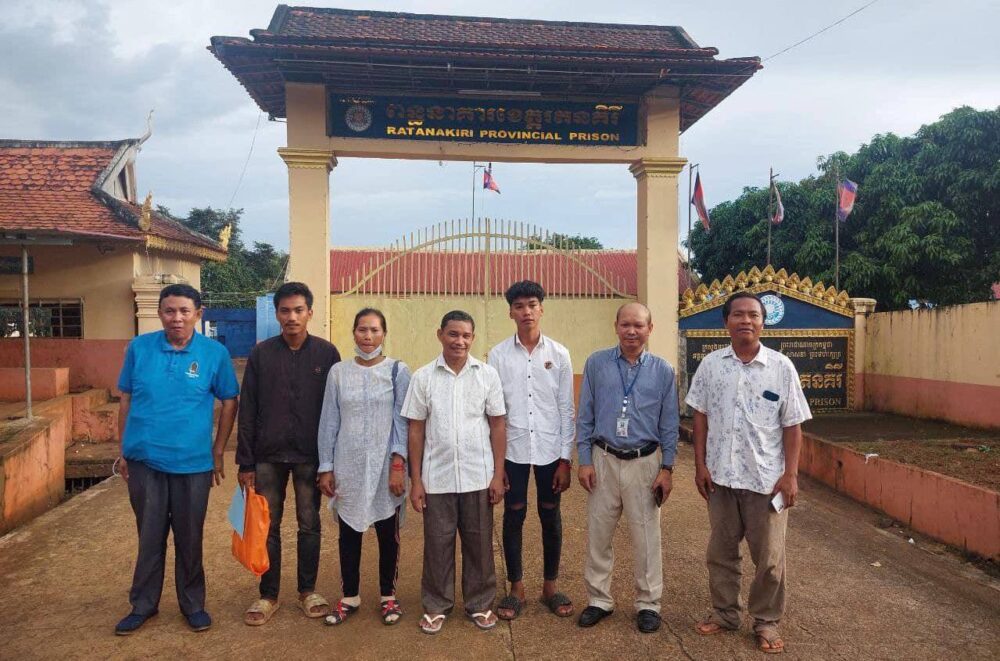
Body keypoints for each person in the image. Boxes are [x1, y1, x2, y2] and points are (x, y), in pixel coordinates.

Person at [685, 292, 811, 654]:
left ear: (763, 321)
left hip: (766, 480)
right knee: (721, 552)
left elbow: (792, 425)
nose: (745, 321)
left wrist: (791, 475)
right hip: (721, 478)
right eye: (737, 314)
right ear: (726, 321)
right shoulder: (711, 366)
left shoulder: (781, 367)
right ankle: (725, 614)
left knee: (769, 559)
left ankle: (766, 620)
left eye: (753, 315)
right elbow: (700, 418)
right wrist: (700, 466)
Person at [114, 284, 239, 635]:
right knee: (149, 535)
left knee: (189, 536)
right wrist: (123, 451)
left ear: (198, 314)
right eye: (170, 311)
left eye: (185, 311)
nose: (177, 318)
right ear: (160, 313)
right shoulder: (139, 348)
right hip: (144, 460)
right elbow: (125, 399)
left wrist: (217, 450)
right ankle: (142, 605)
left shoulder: (214, 354)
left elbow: (230, 401)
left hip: (193, 464)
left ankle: (193, 604)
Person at [235, 282, 341, 626]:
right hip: (268, 456)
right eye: (285, 310)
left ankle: (307, 590)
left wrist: (331, 462)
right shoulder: (262, 354)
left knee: (309, 525)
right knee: (268, 526)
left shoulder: (327, 355)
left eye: (299, 310)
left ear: (310, 312)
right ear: (276, 313)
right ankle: (268, 595)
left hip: (312, 456)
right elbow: (247, 409)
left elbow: (335, 411)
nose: (292, 317)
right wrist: (245, 462)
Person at [401, 310, 507, 635]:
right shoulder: (423, 377)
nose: (459, 341)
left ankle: (480, 603)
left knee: (479, 545)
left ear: (473, 339)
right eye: (453, 334)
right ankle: (436, 605)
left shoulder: (487, 375)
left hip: (478, 475)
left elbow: (498, 424)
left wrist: (498, 473)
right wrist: (416, 481)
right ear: (440, 335)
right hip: (437, 479)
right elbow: (415, 430)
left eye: (465, 335)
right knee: (437, 544)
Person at [576, 302, 679, 634]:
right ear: (616, 326)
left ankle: (648, 603)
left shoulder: (663, 371)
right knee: (599, 535)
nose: (632, 331)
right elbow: (585, 415)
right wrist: (585, 460)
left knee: (647, 537)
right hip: (603, 458)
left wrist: (667, 468)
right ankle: (599, 599)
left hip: (645, 462)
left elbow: (669, 424)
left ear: (650, 328)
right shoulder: (596, 364)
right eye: (626, 325)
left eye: (639, 325)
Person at [317, 308, 411, 626]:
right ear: (353, 333)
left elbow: (402, 421)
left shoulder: (398, 371)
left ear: (384, 334)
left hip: (386, 467)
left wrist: (398, 463)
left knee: (388, 534)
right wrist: (326, 466)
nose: (367, 336)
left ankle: (388, 596)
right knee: (349, 533)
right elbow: (329, 421)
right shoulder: (338, 373)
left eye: (374, 330)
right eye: (361, 330)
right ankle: (349, 597)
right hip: (349, 466)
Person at [487, 281, 575, 621]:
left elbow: (566, 407)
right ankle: (517, 587)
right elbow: (495, 412)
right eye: (519, 306)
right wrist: (499, 464)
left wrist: (565, 458)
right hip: (514, 451)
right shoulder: (497, 355)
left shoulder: (559, 353)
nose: (526, 311)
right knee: (514, 514)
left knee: (550, 514)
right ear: (510, 312)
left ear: (542, 309)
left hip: (551, 449)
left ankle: (550, 586)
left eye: (532, 304)